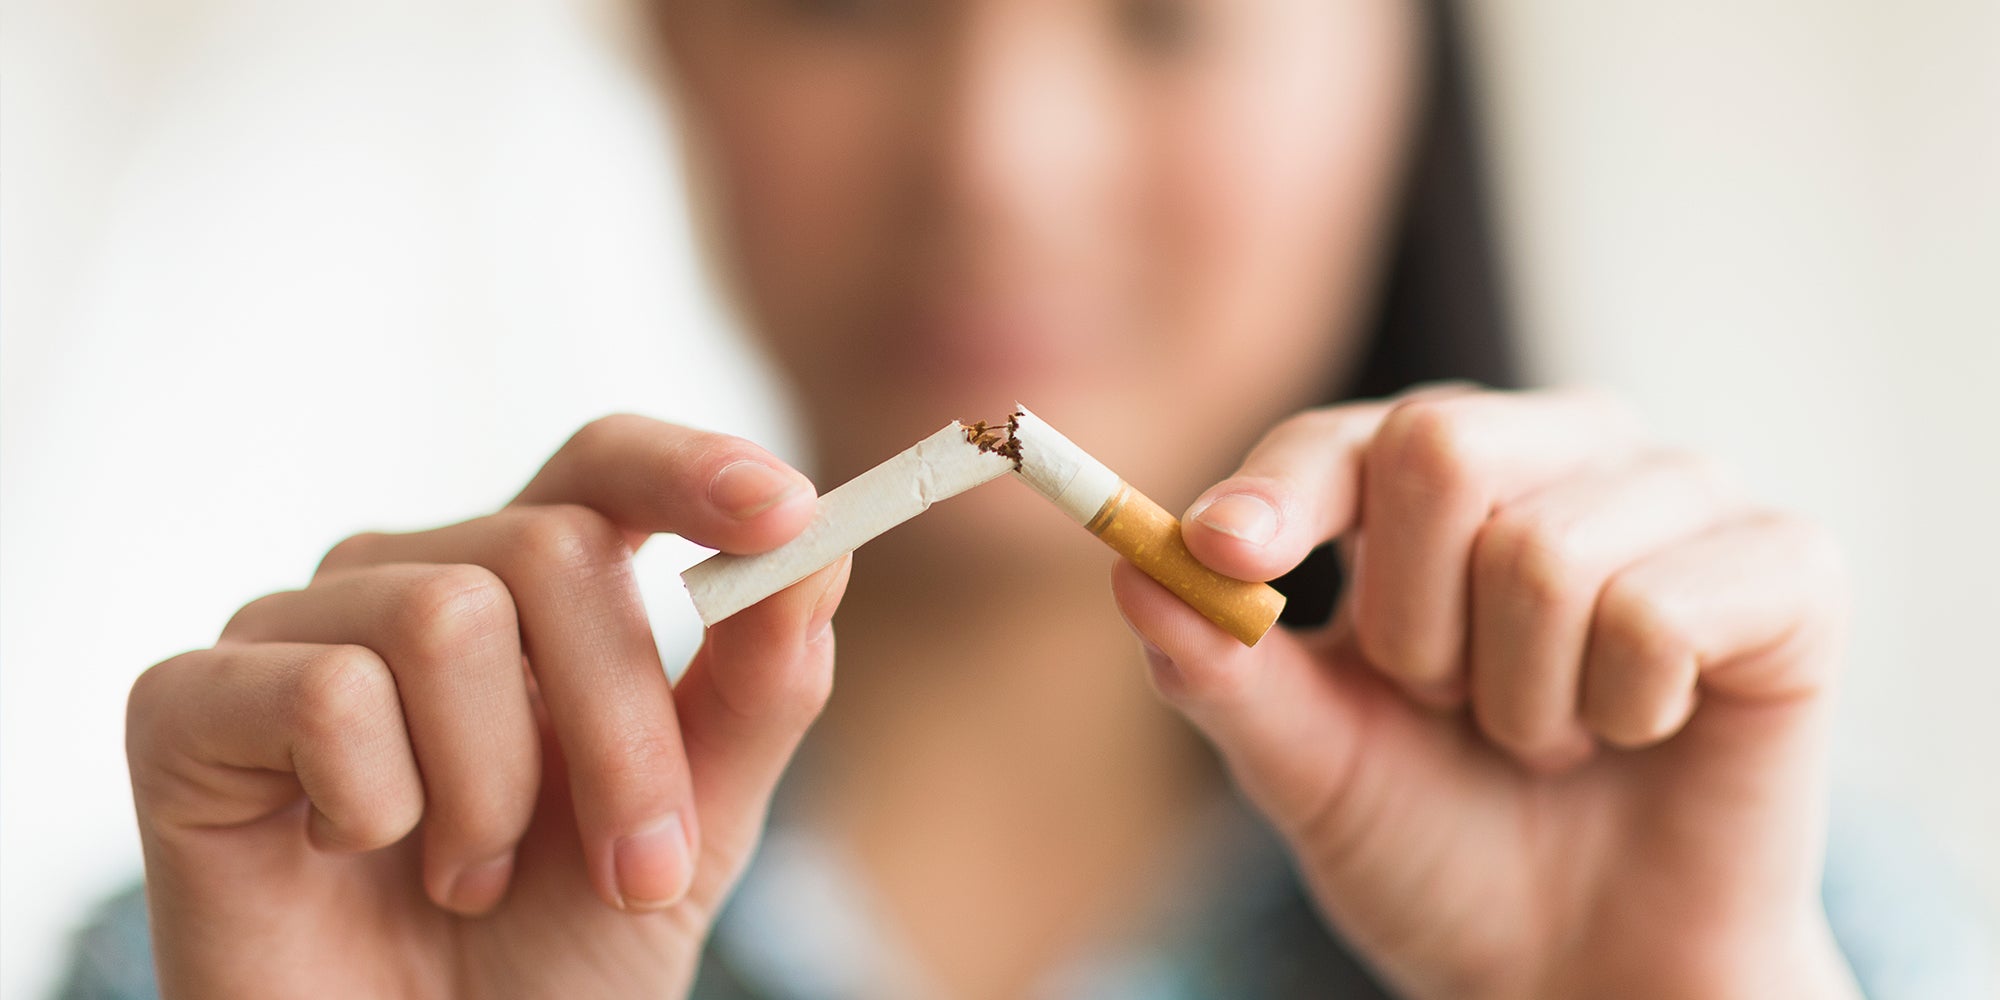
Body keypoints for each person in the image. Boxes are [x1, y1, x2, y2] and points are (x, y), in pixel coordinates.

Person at [64, 0, 1990, 997]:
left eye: (1160, 6)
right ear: (662, 32)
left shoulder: (1798, 935)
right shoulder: (286, 921)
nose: (995, 159)